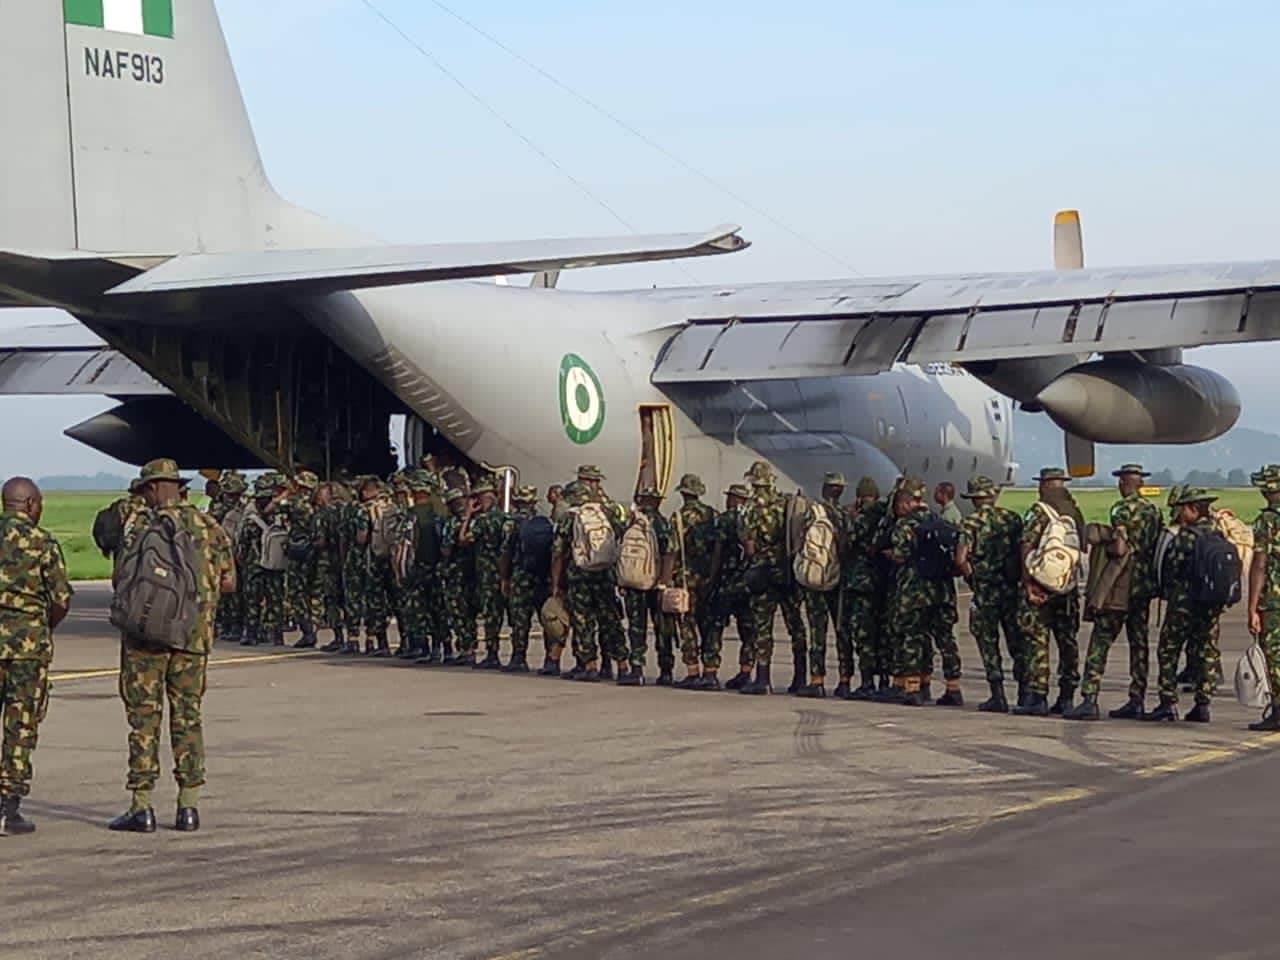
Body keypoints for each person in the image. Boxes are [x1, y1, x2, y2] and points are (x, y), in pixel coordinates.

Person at [109, 459, 235, 833]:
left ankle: (142, 806)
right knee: (188, 716)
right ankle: (188, 807)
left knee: (144, 720)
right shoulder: (209, 526)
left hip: (145, 640)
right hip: (193, 638)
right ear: (178, 487)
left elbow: (122, 579)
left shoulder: (139, 527)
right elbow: (229, 582)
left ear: (151, 489)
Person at [0, 477, 72, 836]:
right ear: (30, 504)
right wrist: (42, 626)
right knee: (21, 724)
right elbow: (61, 599)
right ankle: (7, 807)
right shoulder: (43, 542)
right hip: (28, 649)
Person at [1068, 464, 1162, 721]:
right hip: (1143, 585)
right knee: (1139, 643)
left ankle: (1089, 697)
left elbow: (1119, 547)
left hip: (1120, 584)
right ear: (1141, 484)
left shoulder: (1121, 509)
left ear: (1123, 483)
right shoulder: (1153, 511)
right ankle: (1137, 699)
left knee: (1101, 639)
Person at [1146, 488, 1223, 723]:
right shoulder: (1218, 534)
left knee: (1168, 650)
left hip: (1183, 604)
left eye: (1182, 509)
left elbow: (1172, 569)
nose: (1178, 514)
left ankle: (1168, 703)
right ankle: (1203, 704)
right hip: (1210, 604)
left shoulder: (1186, 536)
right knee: (1206, 652)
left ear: (1193, 509)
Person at [1014, 468, 1084, 717]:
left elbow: (1026, 544)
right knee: (1068, 642)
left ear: (1043, 486)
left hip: (1041, 586)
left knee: (1037, 641)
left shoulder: (1039, 511)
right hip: (1067, 588)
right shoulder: (1074, 512)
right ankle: (1067, 696)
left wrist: (1028, 582)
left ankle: (1038, 696)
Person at [887, 477, 959, 706]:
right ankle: (953, 688)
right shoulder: (938, 520)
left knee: (913, 638)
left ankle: (914, 689)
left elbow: (901, 555)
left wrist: (890, 555)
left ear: (907, 502)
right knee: (945, 639)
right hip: (942, 591)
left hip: (914, 592)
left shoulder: (905, 525)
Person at [737, 462, 807, 695]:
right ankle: (800, 678)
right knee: (796, 626)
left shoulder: (752, 509)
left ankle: (763, 679)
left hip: (764, 574)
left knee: (763, 627)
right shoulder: (786, 502)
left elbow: (749, 546)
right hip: (787, 573)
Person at [955, 476, 1023, 713]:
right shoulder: (1012, 519)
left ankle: (998, 695)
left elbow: (960, 559)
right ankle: (1025, 694)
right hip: (1010, 588)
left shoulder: (970, 522)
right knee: (1016, 642)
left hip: (985, 590)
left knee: (988, 643)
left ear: (974, 499)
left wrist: (972, 580)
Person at [550, 480, 626, 682]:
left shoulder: (569, 518)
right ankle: (623, 665)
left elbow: (558, 553)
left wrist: (556, 584)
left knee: (583, 622)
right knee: (610, 620)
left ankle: (590, 666)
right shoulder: (606, 513)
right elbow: (621, 537)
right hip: (605, 575)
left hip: (580, 577)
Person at [797, 473, 850, 699]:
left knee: (817, 631)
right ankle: (845, 681)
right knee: (842, 631)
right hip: (838, 579)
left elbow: (802, 541)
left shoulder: (814, 512)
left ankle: (817, 681)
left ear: (824, 489)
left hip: (816, 579)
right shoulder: (845, 515)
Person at [668, 474, 720, 689]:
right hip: (708, 577)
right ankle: (711, 672)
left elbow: (672, 551)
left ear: (683, 493)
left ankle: (692, 671)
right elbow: (719, 547)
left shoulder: (678, 518)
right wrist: (713, 575)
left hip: (686, 579)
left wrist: (666, 580)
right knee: (709, 624)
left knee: (687, 625)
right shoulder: (712, 515)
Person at [838, 477, 888, 700]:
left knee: (863, 635)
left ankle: (867, 682)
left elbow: (847, 544)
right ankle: (885, 681)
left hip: (860, 583)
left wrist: (851, 520)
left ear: (859, 497)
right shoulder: (886, 517)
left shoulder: (862, 519)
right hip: (882, 583)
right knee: (882, 634)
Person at [620, 487, 675, 686]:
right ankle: (666, 671)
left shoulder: (632, 523)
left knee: (636, 627)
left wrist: (623, 580)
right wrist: (663, 583)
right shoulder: (662, 523)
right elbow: (670, 554)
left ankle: (636, 670)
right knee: (663, 628)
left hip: (635, 582)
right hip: (656, 583)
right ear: (658, 502)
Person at [709, 484, 756, 690]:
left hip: (727, 581)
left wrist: (712, 578)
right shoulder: (752, 519)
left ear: (736, 499)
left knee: (716, 625)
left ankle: (710, 671)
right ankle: (746, 671)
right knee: (748, 628)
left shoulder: (726, 519)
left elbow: (718, 551)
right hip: (747, 582)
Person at [500, 486, 549, 673]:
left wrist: (504, 578)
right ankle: (550, 660)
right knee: (545, 619)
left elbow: (506, 552)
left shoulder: (511, 523)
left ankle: (519, 657)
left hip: (521, 576)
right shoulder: (544, 521)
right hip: (542, 577)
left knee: (520, 619)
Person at [238, 473, 289, 647]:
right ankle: (277, 634)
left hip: (254, 564)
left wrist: (242, 560)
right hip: (275, 564)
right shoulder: (279, 518)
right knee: (275, 599)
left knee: (252, 600)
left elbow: (242, 544)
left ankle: (252, 634)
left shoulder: (250, 521)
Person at [1248, 466, 1280, 730]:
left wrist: (1252, 607)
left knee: (1275, 656)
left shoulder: (1267, 521)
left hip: (1274, 600)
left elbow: (1259, 564)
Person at [469, 477, 509, 669]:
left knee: (491, 614)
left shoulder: (482, 521)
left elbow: (464, 538)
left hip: (488, 574)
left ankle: (492, 654)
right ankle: (516, 656)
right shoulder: (505, 518)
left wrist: (469, 515)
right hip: (503, 572)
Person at [440, 487, 480, 666]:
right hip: (474, 572)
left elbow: (446, 549)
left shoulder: (453, 523)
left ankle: (466, 648)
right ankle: (469, 647)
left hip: (456, 573)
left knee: (458, 610)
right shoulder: (476, 520)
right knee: (469, 611)